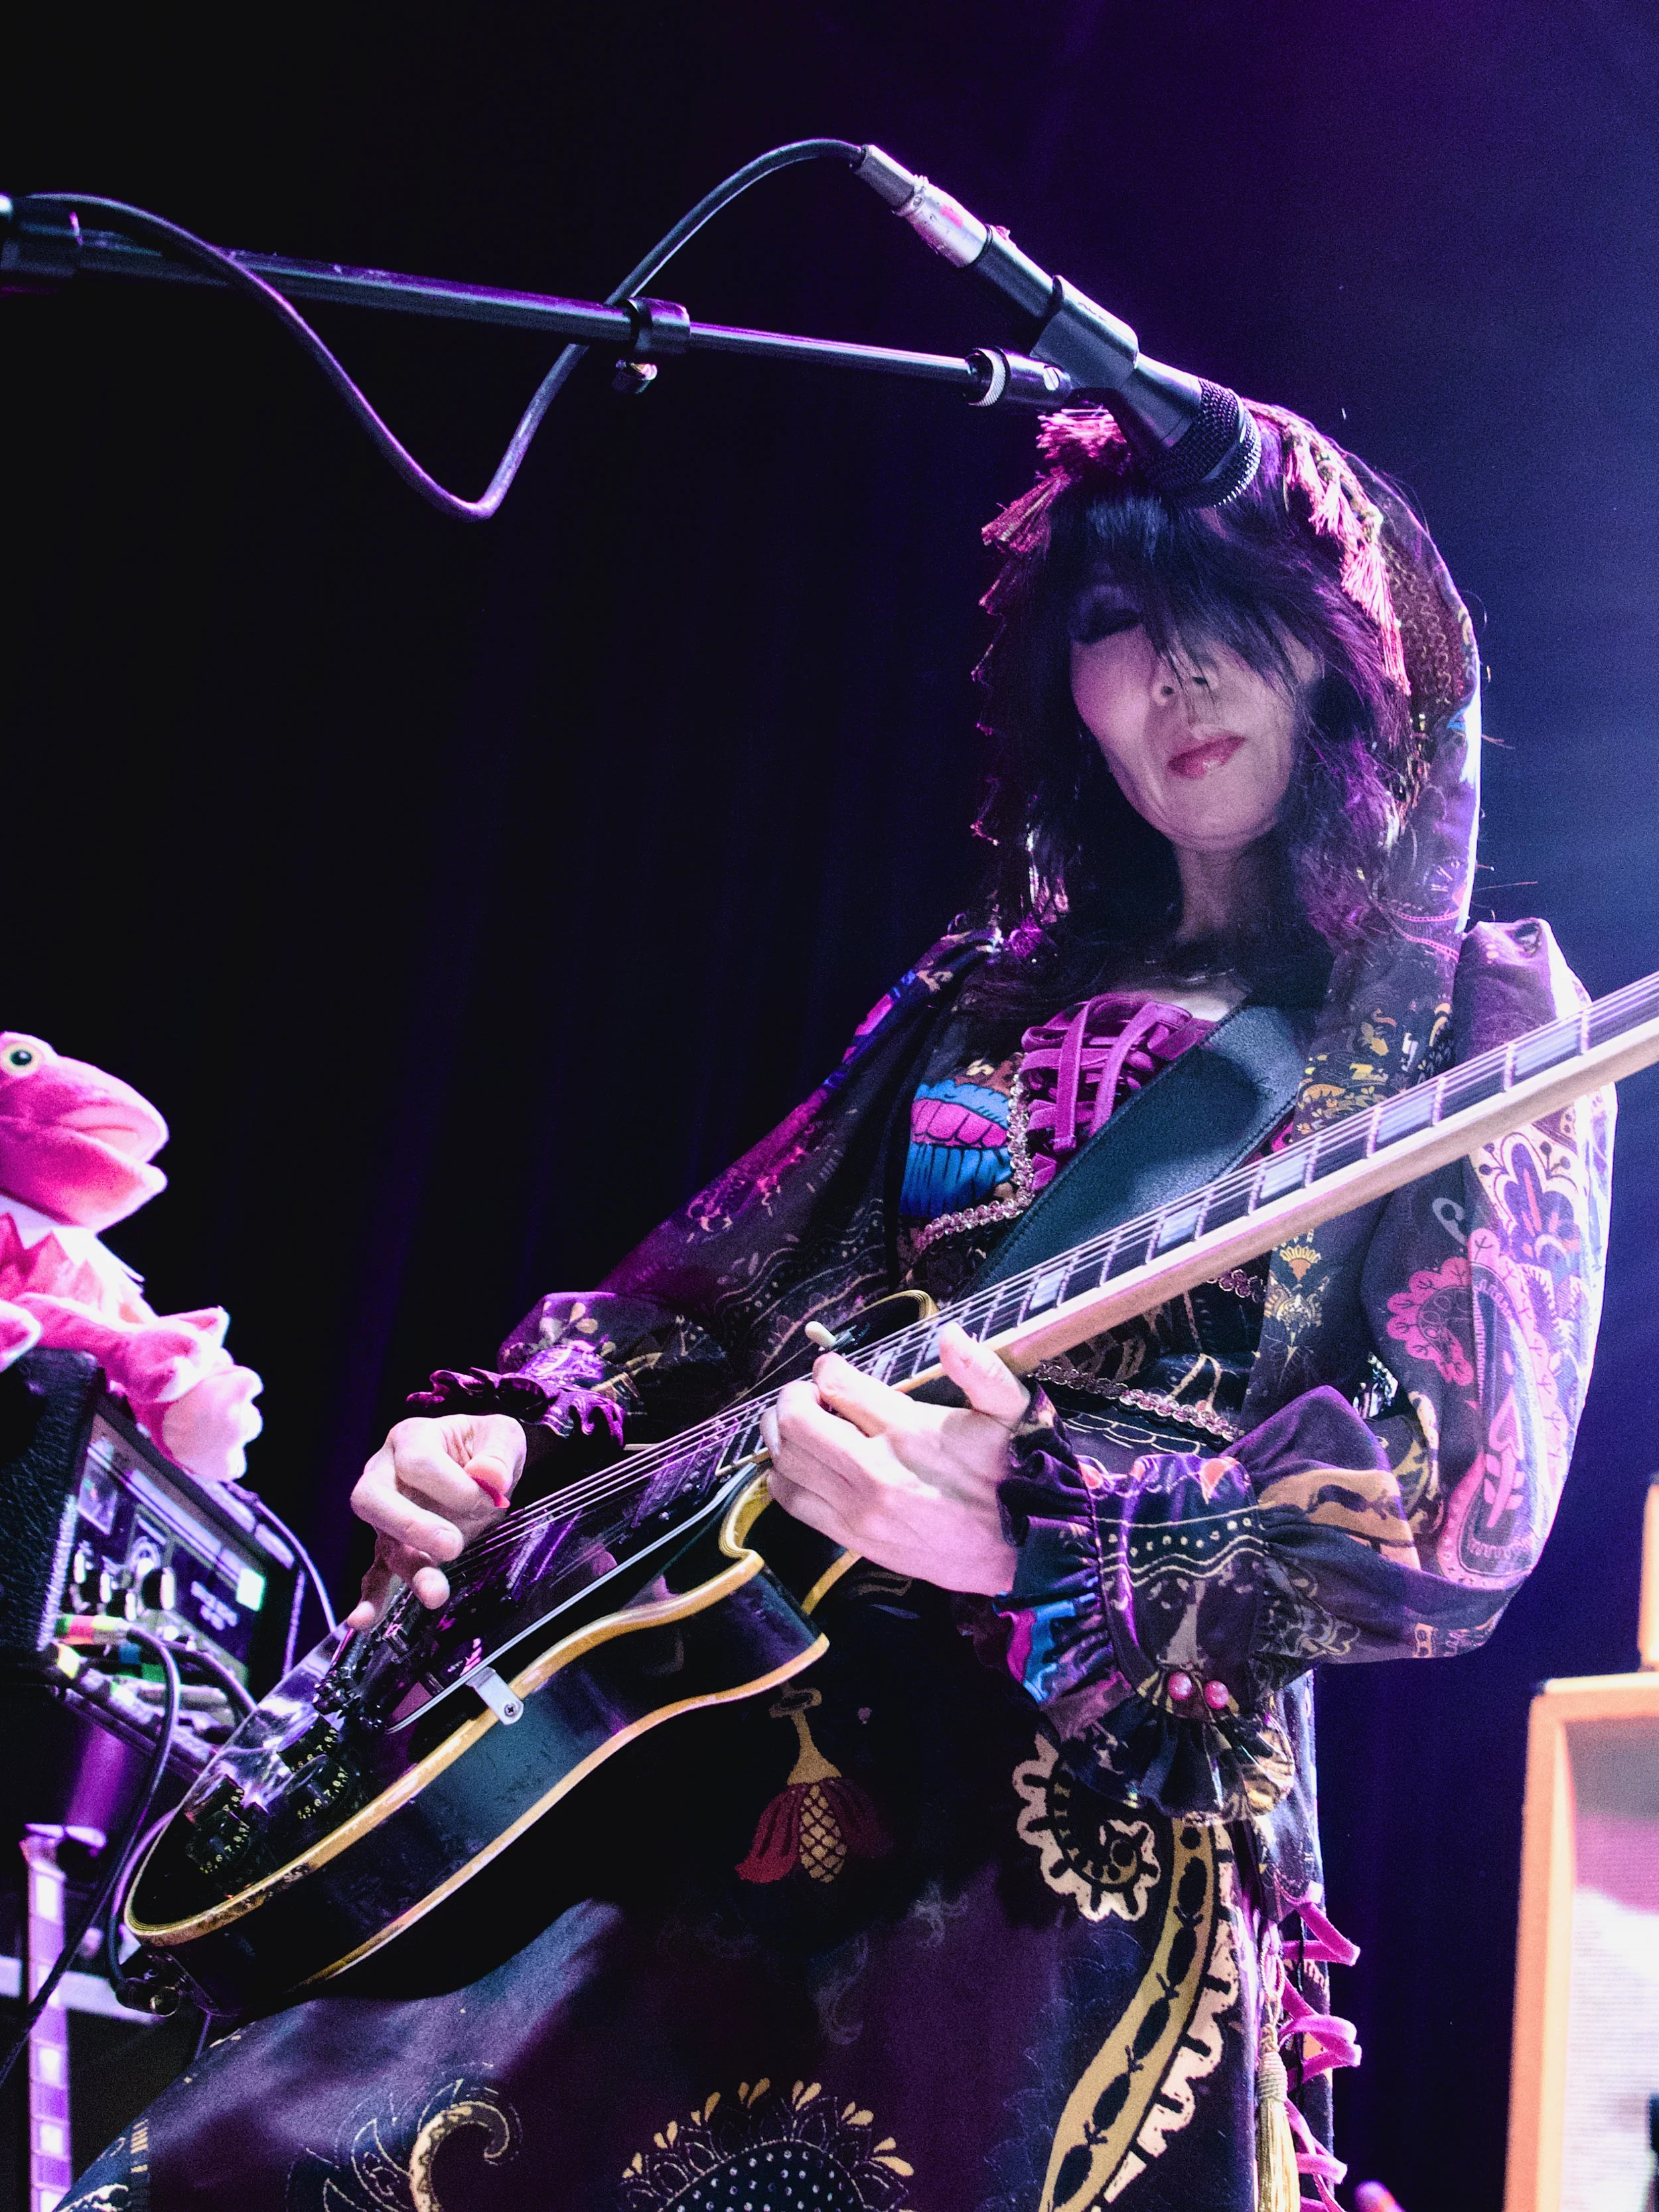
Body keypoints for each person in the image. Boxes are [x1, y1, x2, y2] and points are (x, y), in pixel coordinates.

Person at [63, 402, 1612, 2212]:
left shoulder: (1464, 1027)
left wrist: (1033, 1528)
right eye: (1115, 623)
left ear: (1358, 655)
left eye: (1231, 611)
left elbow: (1449, 1513)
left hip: (1054, 1872)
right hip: (700, 1767)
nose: (1172, 674)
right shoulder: (975, 1002)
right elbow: (704, 1308)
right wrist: (514, 1432)